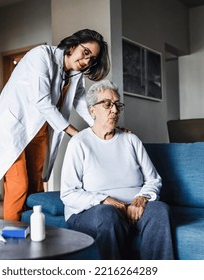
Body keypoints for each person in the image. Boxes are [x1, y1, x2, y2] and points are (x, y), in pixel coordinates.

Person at [0, 29, 110, 221]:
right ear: (72, 46)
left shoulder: (75, 73)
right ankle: (12, 239)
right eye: (86, 53)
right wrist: (76, 133)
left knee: (35, 185)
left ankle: (32, 233)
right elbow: (42, 101)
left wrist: (100, 126)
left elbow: (80, 102)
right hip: (13, 129)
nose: (87, 61)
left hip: (39, 131)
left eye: (92, 59)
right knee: (18, 185)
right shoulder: (41, 56)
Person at [60, 80, 174, 260]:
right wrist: (104, 199)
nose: (114, 110)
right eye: (107, 104)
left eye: (117, 105)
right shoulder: (79, 143)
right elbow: (68, 194)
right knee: (108, 215)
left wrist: (141, 199)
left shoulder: (131, 140)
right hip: (93, 211)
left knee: (160, 210)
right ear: (92, 110)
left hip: (134, 207)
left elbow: (153, 180)